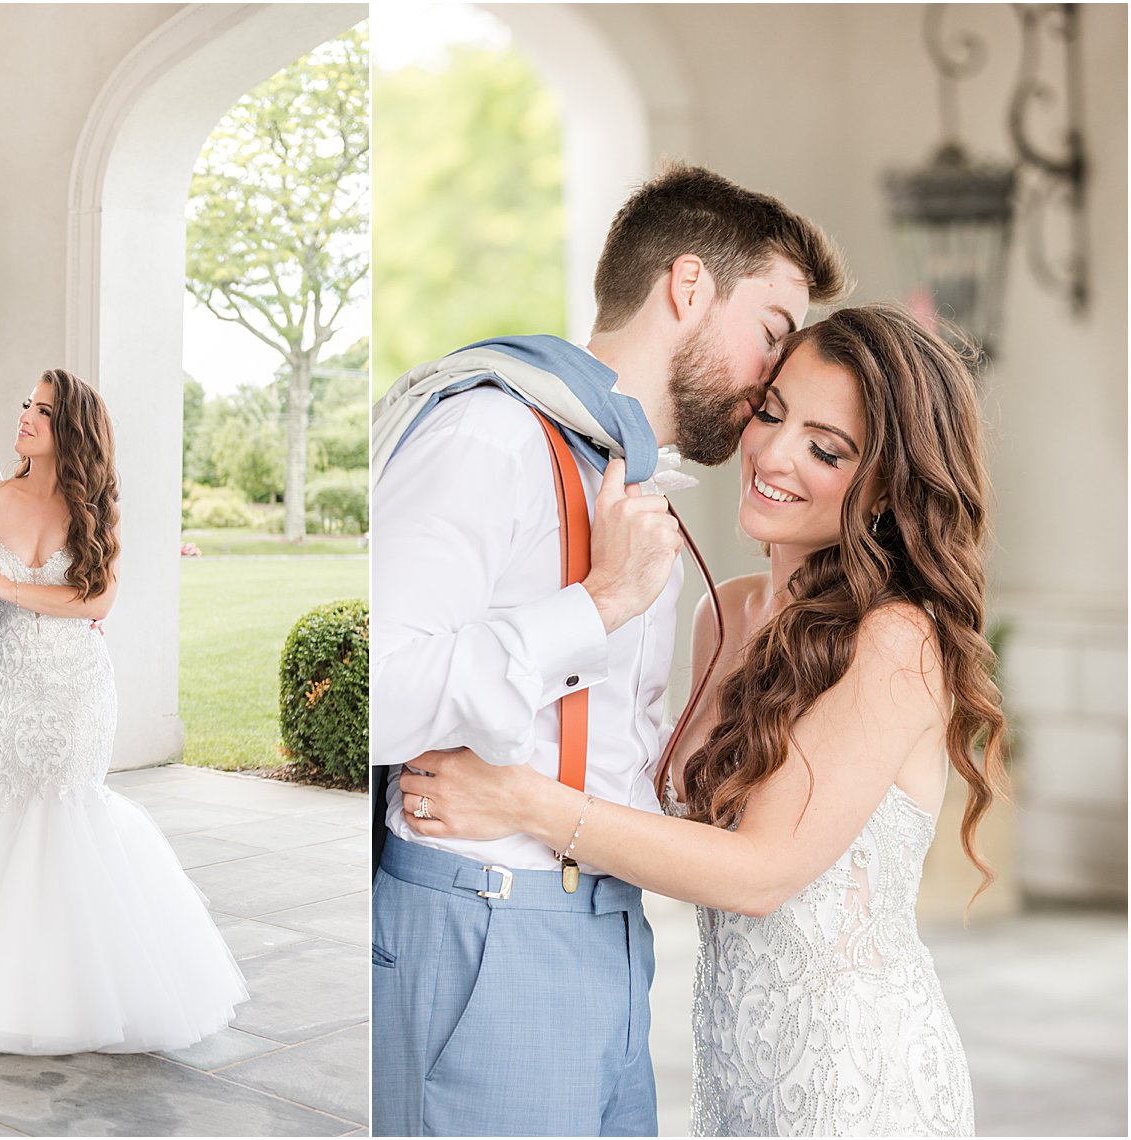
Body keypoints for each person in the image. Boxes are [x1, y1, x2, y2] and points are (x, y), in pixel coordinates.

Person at [399, 304, 1007, 1137]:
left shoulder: (895, 640)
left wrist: (522, 801)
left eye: (827, 450)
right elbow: (657, 819)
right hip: (735, 1068)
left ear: (888, 491)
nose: (774, 455)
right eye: (773, 412)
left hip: (855, 1081)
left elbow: (758, 873)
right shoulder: (725, 614)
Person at [370, 164, 848, 1137]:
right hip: (484, 925)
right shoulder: (487, 434)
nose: (774, 377)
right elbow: (378, 692)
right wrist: (593, 606)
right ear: (685, 288)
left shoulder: (633, 484)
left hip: (602, 931)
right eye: (768, 331)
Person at [0, 368, 248, 1054]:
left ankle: (91, 992)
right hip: (10, 685)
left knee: (72, 808)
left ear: (72, 431)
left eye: (44, 411)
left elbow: (97, 604)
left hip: (79, 686)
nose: (25, 416)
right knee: (12, 810)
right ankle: (7, 992)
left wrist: (6, 585)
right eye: (27, 404)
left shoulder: (95, 508)